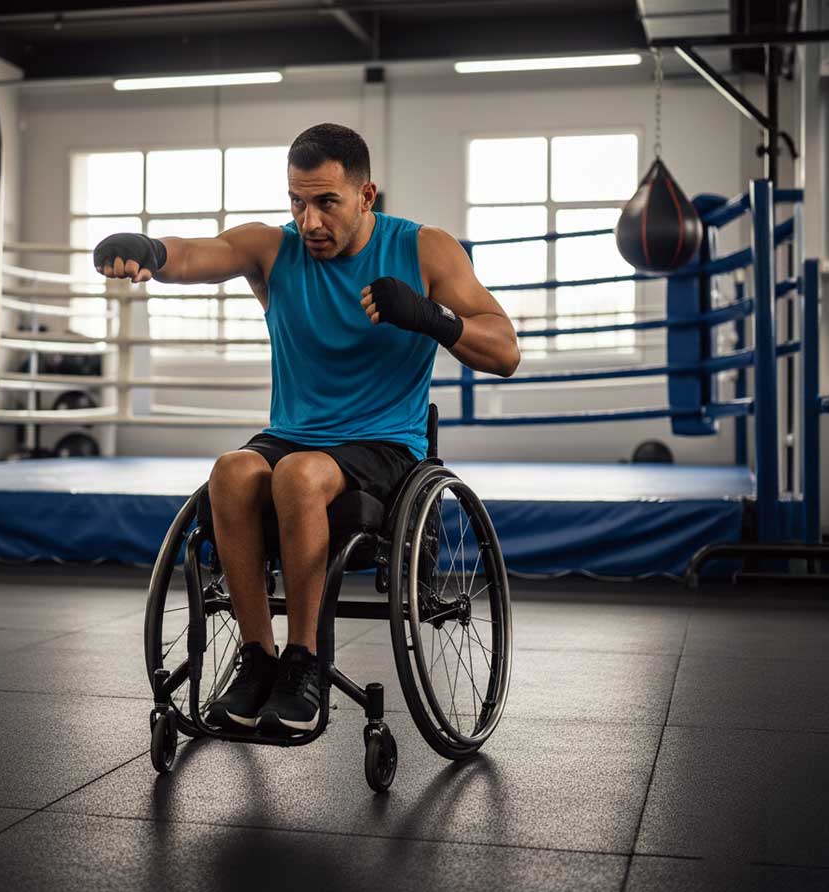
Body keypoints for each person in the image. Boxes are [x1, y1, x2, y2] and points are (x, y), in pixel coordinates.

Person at [94, 122, 520, 735]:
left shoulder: (424, 250)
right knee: (233, 469)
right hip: (294, 433)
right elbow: (198, 253)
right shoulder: (274, 248)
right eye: (298, 201)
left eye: (327, 202)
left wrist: (432, 317)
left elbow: (505, 351)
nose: (311, 221)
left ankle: (306, 663)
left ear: (366, 195)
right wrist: (149, 251)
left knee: (297, 476)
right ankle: (257, 658)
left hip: (385, 444)